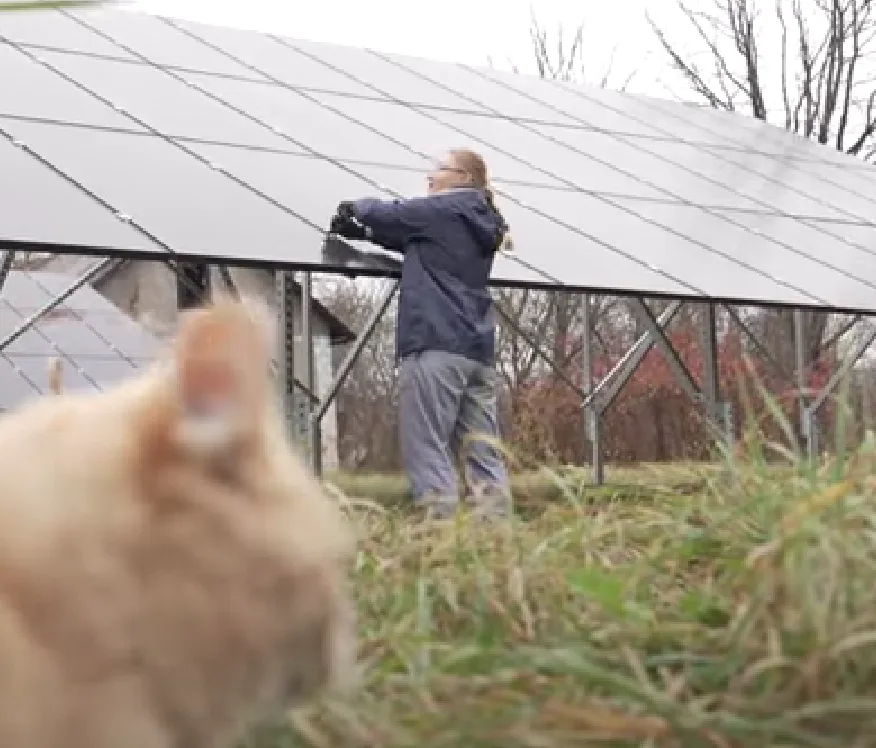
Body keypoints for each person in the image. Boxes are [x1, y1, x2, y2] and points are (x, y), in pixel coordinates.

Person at [329, 148, 513, 519]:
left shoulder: (446, 208)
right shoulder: (478, 219)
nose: (430, 176)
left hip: (435, 342)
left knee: (427, 444)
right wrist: (364, 233)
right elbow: (412, 240)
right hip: (475, 350)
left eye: (438, 169)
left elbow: (394, 214)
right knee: (482, 449)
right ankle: (497, 533)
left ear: (462, 177)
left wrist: (357, 208)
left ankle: (438, 534)